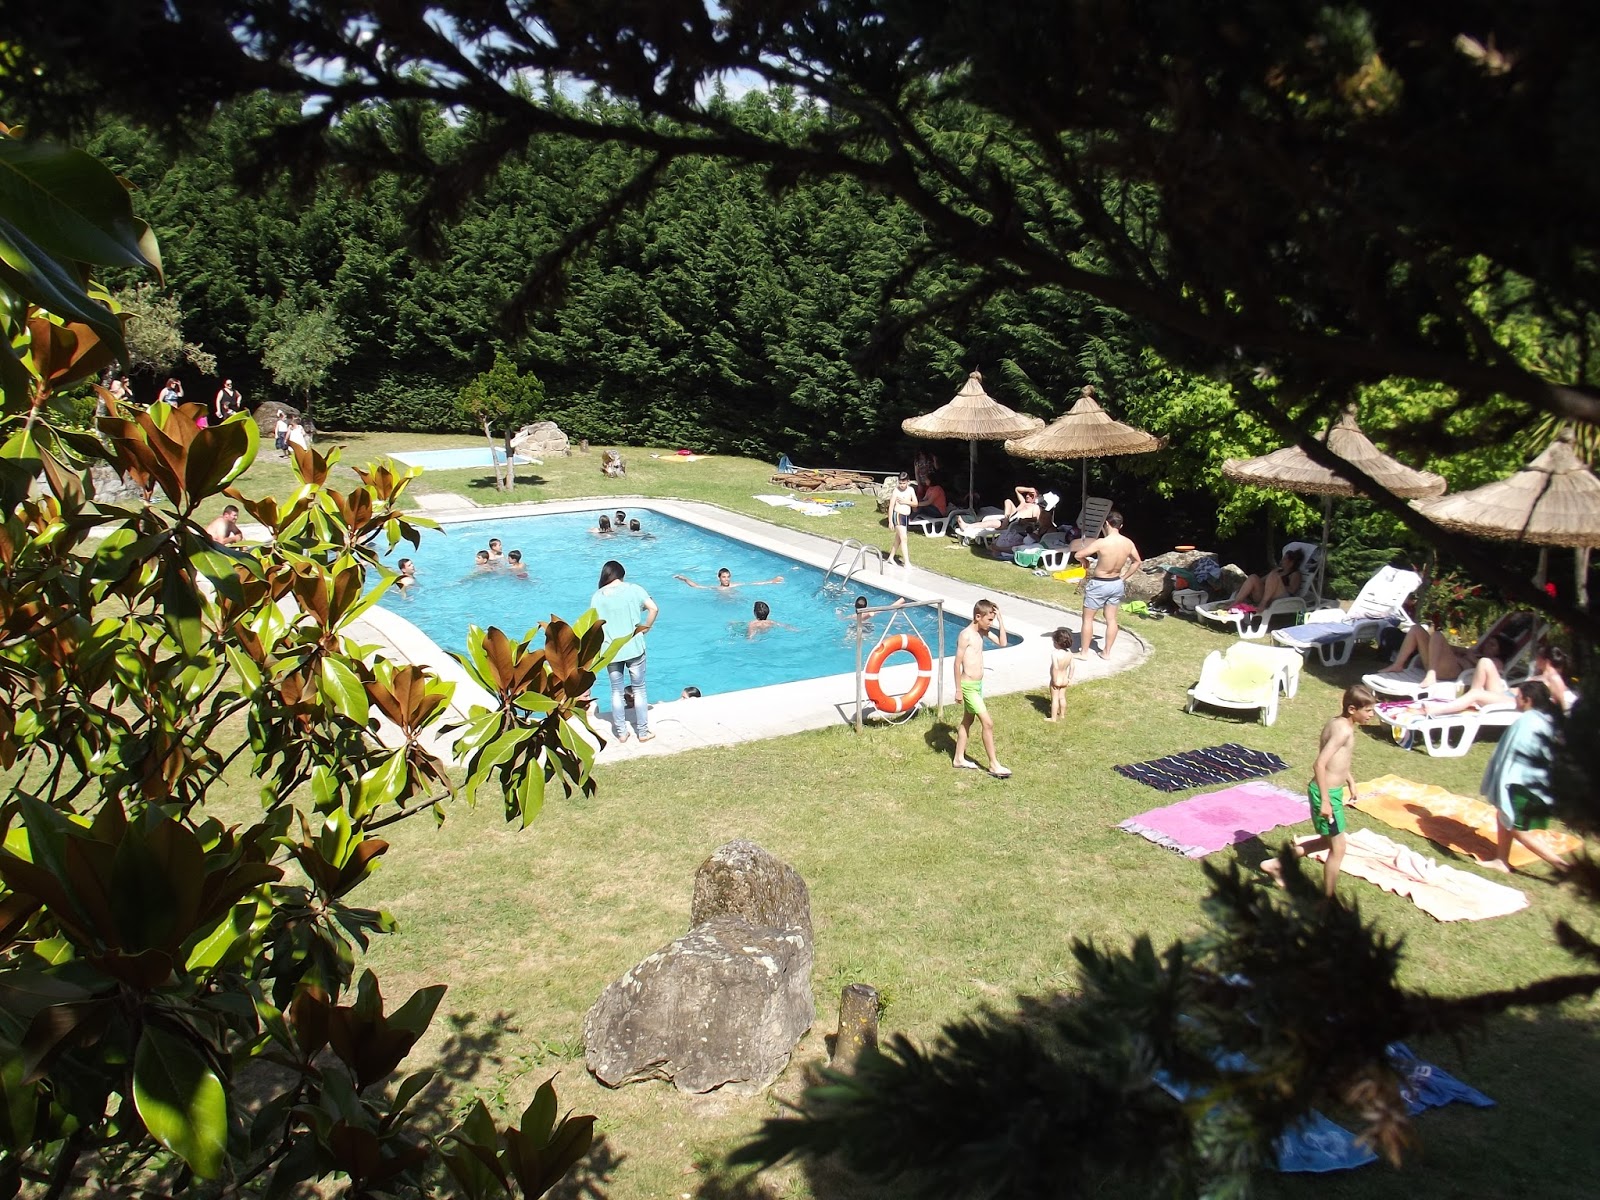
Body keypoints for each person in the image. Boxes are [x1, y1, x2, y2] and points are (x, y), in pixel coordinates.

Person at [1262, 684, 1377, 901]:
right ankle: (1327, 900)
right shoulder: (1343, 731)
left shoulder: (1338, 723)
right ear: (1352, 709)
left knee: (1327, 842)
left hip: (1331, 792)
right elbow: (1320, 764)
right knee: (1338, 848)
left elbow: (1337, 761)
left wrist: (1350, 780)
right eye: (1368, 710)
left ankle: (1277, 864)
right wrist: (1325, 801)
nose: (1372, 715)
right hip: (1327, 795)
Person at [1481, 680, 1569, 874]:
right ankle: (1501, 860)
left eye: (1518, 697)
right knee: (1502, 815)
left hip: (1523, 785)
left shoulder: (1527, 723)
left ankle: (1565, 868)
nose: (1515, 700)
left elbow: (1515, 759)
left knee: (1519, 830)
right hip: (1533, 782)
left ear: (1527, 700)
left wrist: (1505, 781)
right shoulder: (1544, 719)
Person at [590, 559, 658, 743]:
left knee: (616, 691)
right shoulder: (634, 589)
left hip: (610, 650)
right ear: (622, 574)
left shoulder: (597, 596)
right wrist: (645, 628)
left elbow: (593, 625)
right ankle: (642, 732)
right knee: (639, 689)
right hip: (634, 647)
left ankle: (621, 732)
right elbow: (654, 608)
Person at [1404, 645, 1574, 718]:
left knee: (1476, 693)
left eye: (1539, 657)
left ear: (1545, 660)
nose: (1536, 660)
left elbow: (1563, 706)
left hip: (1514, 703)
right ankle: (1470, 703)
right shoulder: (1542, 674)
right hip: (1507, 695)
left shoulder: (1554, 679)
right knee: (1485, 662)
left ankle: (1434, 711)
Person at [952, 599, 1010, 777]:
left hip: (977, 686)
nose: (991, 623)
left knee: (967, 721)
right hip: (968, 686)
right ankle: (993, 764)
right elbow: (957, 663)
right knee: (988, 723)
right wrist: (958, 689)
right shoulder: (966, 635)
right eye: (989, 620)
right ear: (978, 617)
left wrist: (1000, 620)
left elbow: (1003, 643)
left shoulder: (982, 632)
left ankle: (958, 758)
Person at [1071, 511, 1141, 659]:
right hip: (1116, 583)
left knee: (1088, 619)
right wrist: (1124, 577)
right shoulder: (1128, 543)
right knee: (1111, 619)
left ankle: (1084, 652)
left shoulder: (1102, 542)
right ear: (1121, 526)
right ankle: (1106, 652)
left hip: (1100, 583)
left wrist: (1084, 561)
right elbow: (1137, 562)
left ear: (1107, 523)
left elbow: (1078, 554)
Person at [1375, 624, 1510, 692]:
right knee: (1416, 629)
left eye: (1493, 645)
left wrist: (1470, 658)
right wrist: (1463, 651)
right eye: (1489, 642)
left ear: (1500, 651)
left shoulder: (1496, 662)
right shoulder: (1475, 652)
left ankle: (1431, 674)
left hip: (1453, 673)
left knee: (1438, 635)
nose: (1487, 645)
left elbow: (1487, 669)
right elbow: (1449, 648)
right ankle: (1398, 664)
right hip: (1440, 665)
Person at [1228, 548, 1305, 609]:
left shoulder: (1295, 574)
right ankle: (1235, 603)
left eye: (1285, 559)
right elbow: (1261, 580)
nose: (1282, 561)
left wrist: (1276, 584)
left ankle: (1263, 604)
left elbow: (1292, 590)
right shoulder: (1278, 570)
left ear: (1291, 562)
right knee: (1253, 577)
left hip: (1281, 598)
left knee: (1274, 575)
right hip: (1267, 595)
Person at [888, 471, 918, 567]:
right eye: (900, 483)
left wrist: (906, 501)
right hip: (898, 515)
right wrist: (890, 521)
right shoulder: (896, 491)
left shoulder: (911, 490)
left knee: (898, 539)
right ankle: (907, 562)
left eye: (903, 483)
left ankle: (891, 557)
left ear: (908, 482)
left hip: (906, 516)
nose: (901, 485)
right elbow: (891, 506)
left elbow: (915, 503)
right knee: (904, 538)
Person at [1048, 627, 1075, 722]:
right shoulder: (1069, 653)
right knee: (1062, 697)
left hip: (1057, 679)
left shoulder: (1055, 654)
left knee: (1055, 699)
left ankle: (1053, 718)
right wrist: (1070, 678)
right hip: (1064, 679)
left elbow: (1055, 668)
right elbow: (1072, 667)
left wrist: (1054, 680)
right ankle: (1062, 715)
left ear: (1056, 643)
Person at [674, 567, 783, 589]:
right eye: (724, 577)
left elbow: (753, 583)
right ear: (719, 578)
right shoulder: (716, 588)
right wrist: (684, 579)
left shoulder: (735, 585)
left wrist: (772, 581)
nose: (726, 579)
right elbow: (697, 586)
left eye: (728, 577)